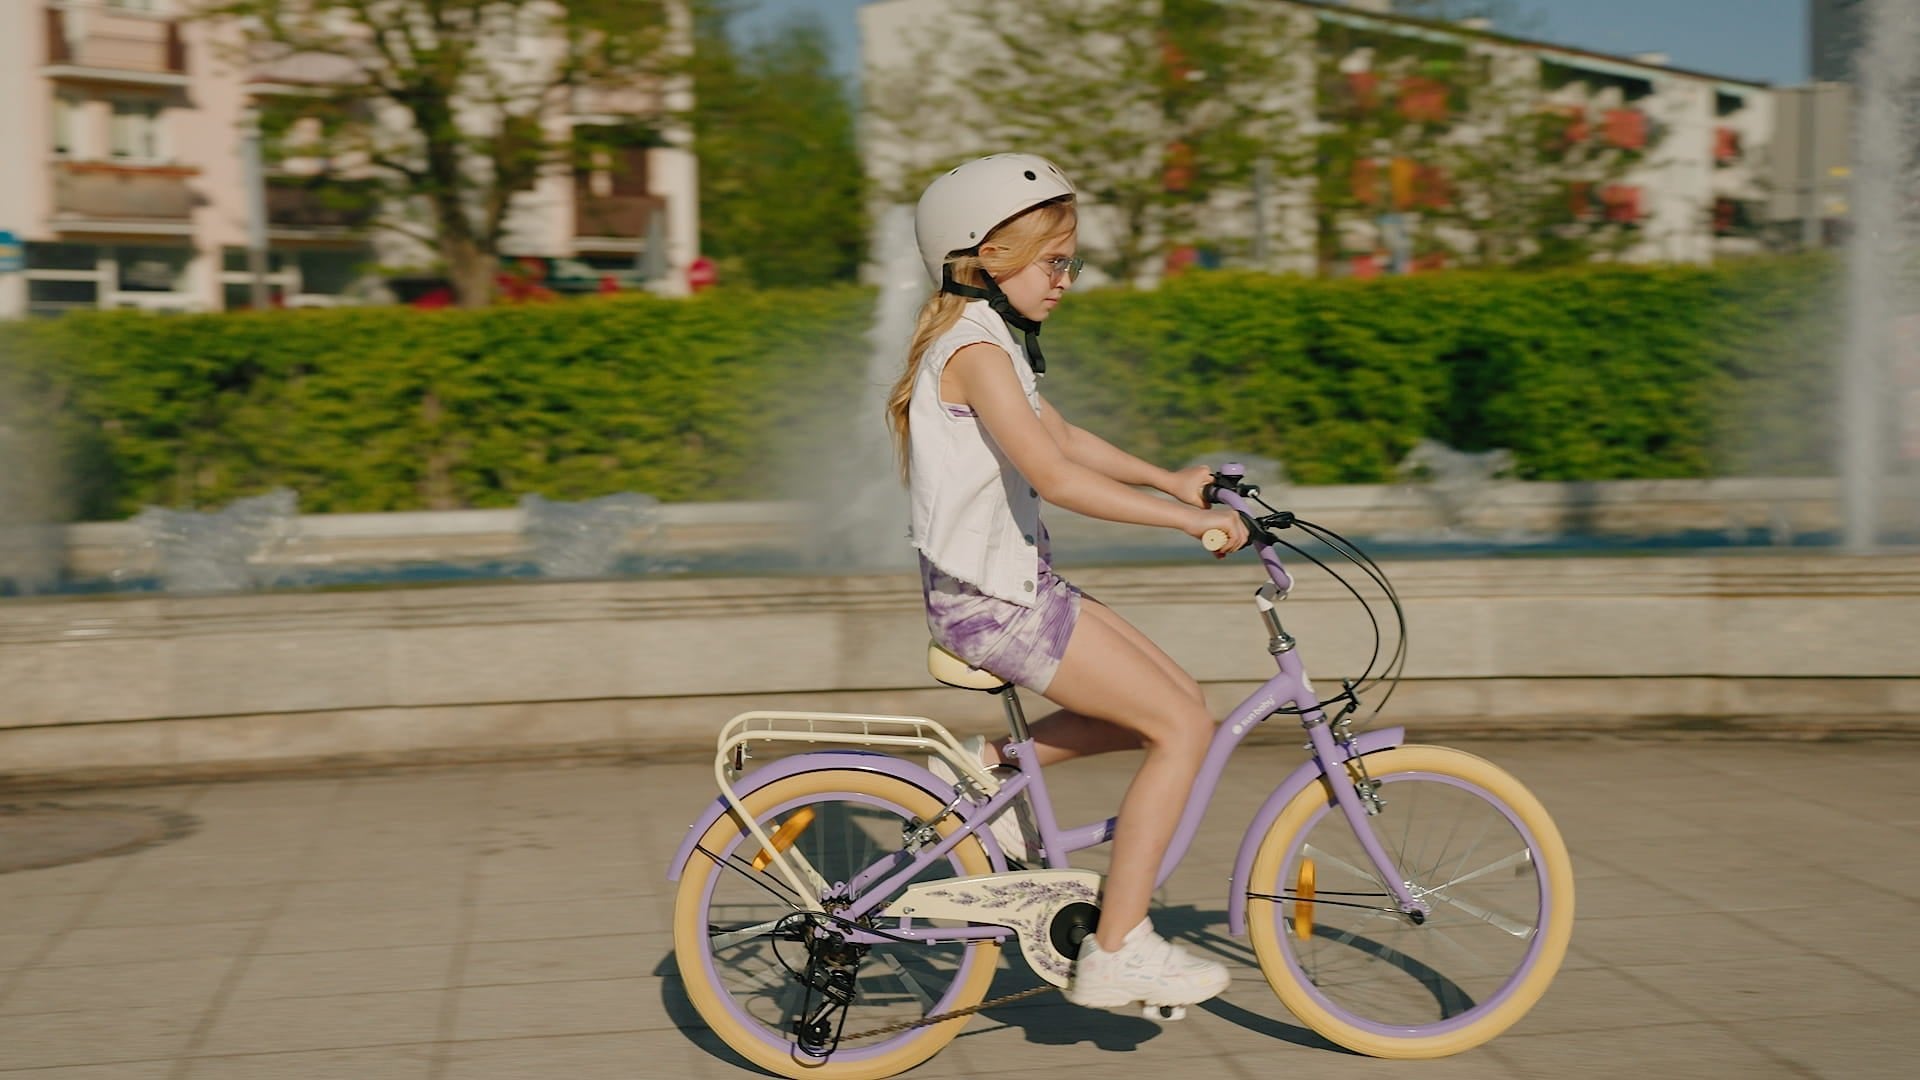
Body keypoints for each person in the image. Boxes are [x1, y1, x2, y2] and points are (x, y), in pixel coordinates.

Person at [887, 153, 1249, 1011]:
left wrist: (1171, 481)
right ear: (986, 259)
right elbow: (1055, 477)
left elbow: (1066, 437)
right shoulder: (974, 350)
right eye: (1053, 261)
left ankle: (988, 769)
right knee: (1180, 731)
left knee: (1184, 706)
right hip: (992, 606)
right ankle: (1117, 948)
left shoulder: (989, 342)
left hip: (1015, 590)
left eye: (1069, 260)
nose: (1066, 279)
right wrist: (1185, 523)